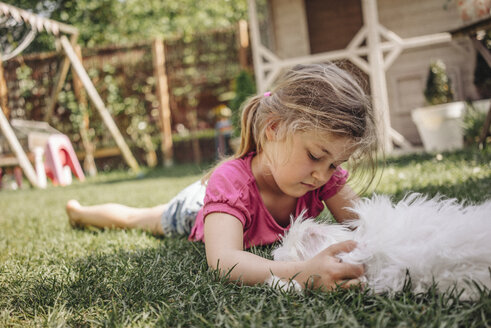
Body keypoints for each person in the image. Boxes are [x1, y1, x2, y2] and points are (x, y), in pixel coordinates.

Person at [66, 63, 379, 291]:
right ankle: (80, 212)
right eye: (314, 156)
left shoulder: (323, 176)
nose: (322, 175)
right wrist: (302, 273)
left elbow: (365, 226)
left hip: (225, 196)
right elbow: (224, 260)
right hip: (196, 207)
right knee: (137, 218)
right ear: (273, 129)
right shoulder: (231, 182)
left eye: (335, 164)